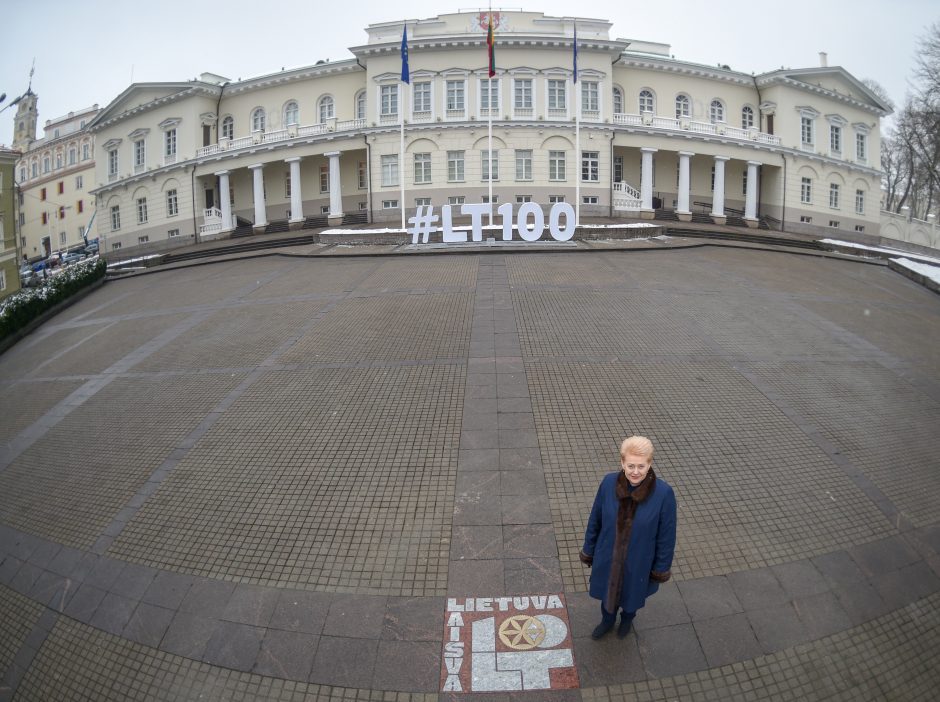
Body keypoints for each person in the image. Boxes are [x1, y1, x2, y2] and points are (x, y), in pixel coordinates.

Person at [580, 435, 677, 639]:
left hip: (639, 562)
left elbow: (666, 537)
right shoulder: (608, 483)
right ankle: (607, 621)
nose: (635, 472)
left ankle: (627, 620)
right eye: (630, 465)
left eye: (641, 466)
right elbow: (595, 519)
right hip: (608, 557)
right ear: (622, 462)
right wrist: (589, 550)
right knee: (607, 596)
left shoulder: (664, 494)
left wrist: (660, 569)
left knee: (632, 598)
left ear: (649, 463)